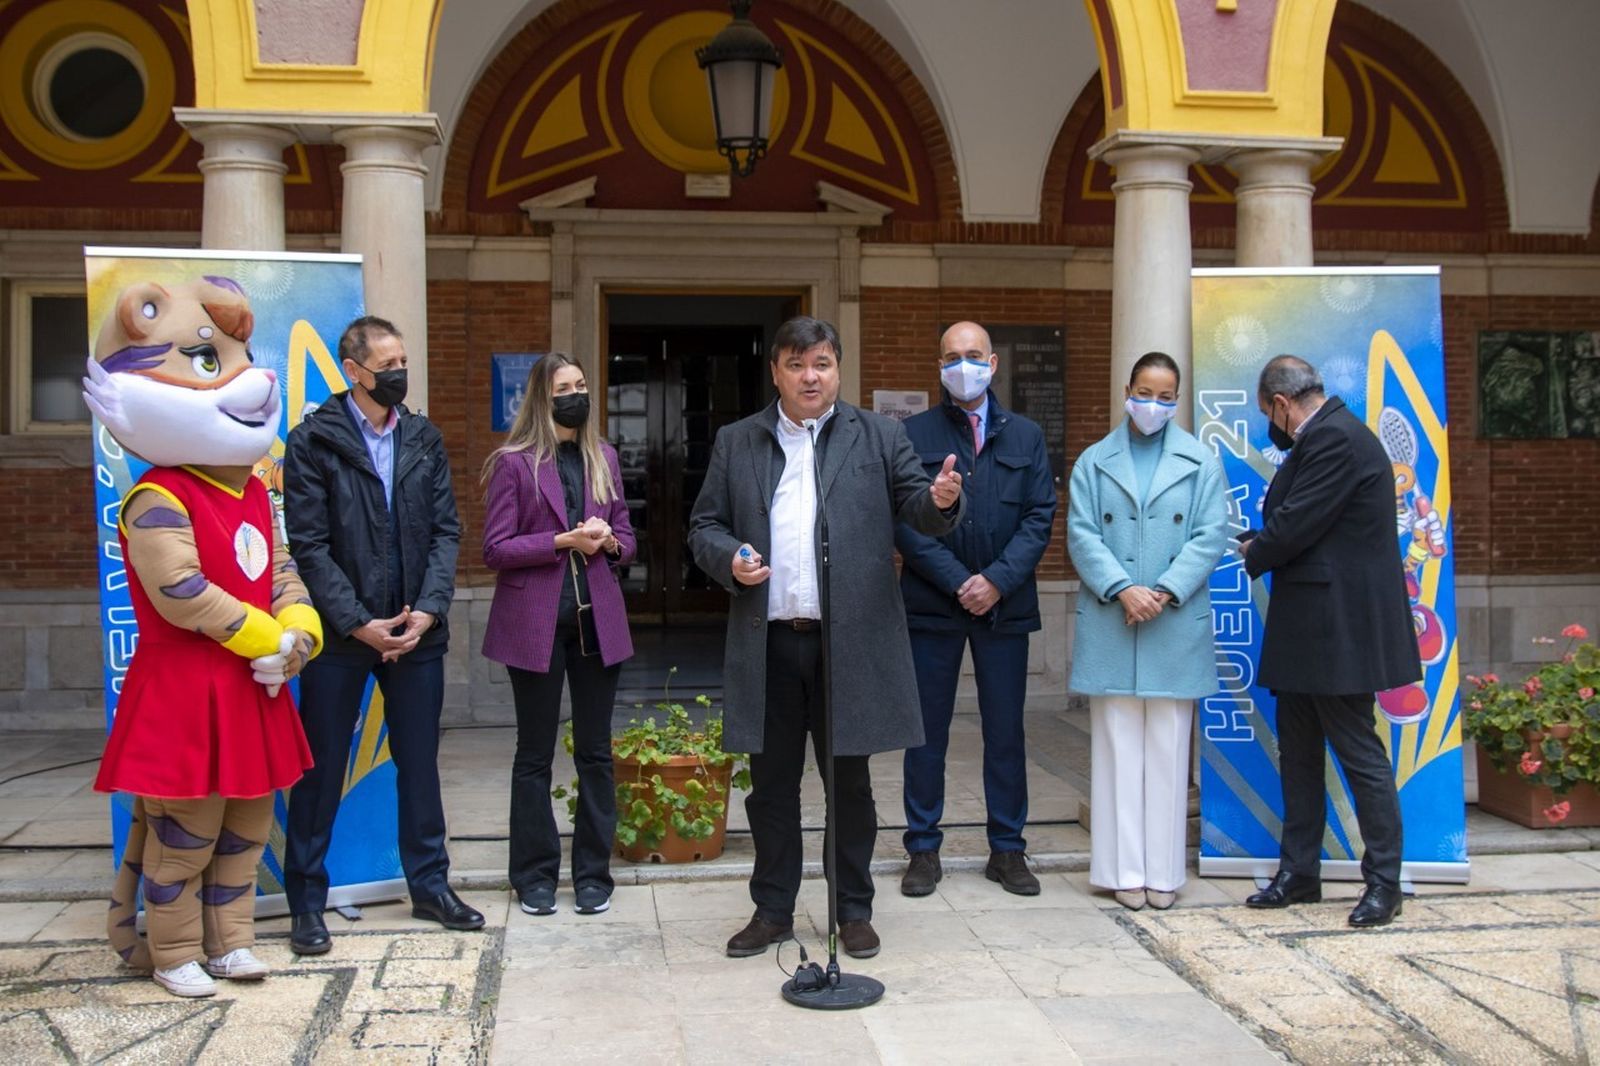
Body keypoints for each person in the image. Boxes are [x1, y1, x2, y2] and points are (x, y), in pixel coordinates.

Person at [687, 315, 965, 960]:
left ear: (838, 369)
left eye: (821, 364)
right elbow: (703, 525)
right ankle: (772, 909)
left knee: (850, 786)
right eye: (795, 364)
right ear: (776, 372)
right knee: (772, 788)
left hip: (851, 644)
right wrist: (728, 557)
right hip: (770, 641)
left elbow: (918, 510)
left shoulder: (878, 435)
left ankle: (853, 909)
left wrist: (944, 499)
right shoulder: (738, 441)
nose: (810, 376)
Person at [85, 276, 319, 998]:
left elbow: (278, 567)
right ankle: (174, 948)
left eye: (241, 353)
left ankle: (232, 942)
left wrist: (299, 632)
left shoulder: (253, 488)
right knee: (184, 833)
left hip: (253, 687)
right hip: (186, 692)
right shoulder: (156, 496)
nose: (249, 376)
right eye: (213, 358)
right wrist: (261, 638)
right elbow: (181, 592)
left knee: (248, 825)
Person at [282, 315, 482, 954]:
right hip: (343, 638)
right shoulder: (313, 441)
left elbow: (447, 531)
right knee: (322, 769)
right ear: (354, 371)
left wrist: (428, 608)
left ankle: (431, 886)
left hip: (417, 631)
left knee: (420, 764)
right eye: (387, 364)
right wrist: (356, 622)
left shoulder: (424, 437)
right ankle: (306, 903)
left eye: (403, 362)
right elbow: (307, 544)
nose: (399, 373)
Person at [1240, 355, 1420, 928]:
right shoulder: (1328, 435)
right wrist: (1265, 538)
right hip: (1307, 626)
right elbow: (1304, 523)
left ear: (1280, 404)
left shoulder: (1336, 438)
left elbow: (1297, 523)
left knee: (1358, 753)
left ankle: (1385, 883)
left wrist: (1257, 550)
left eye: (1268, 412)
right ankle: (1299, 874)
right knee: (1298, 752)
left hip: (1337, 630)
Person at [896, 321, 1057, 898]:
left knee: (1006, 731)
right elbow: (906, 523)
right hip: (932, 606)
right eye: (950, 356)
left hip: (1004, 608)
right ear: (938, 365)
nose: (962, 365)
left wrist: (995, 581)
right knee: (926, 734)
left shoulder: (1027, 436)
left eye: (972, 355)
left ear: (993, 363)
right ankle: (922, 848)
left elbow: (1040, 516)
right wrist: (960, 580)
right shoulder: (912, 434)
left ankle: (1008, 850)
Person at [1067, 351, 1229, 911]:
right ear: (1126, 390)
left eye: (1165, 396)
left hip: (1173, 620)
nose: (1153, 405)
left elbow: (1211, 535)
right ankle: (1120, 869)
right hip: (1115, 619)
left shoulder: (1200, 461)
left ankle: (1163, 871)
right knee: (1115, 752)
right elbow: (1082, 534)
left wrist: (1161, 590)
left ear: (1176, 400)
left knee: (1166, 752)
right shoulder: (1094, 460)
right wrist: (1122, 588)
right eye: (1144, 392)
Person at [481, 353, 636, 918]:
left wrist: (609, 542)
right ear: (543, 400)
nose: (576, 395)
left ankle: (594, 876)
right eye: (564, 388)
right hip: (536, 626)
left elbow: (626, 536)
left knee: (596, 754)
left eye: (582, 384)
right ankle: (534, 877)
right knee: (534, 755)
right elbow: (495, 549)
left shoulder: (605, 458)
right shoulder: (514, 464)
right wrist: (562, 540)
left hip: (597, 623)